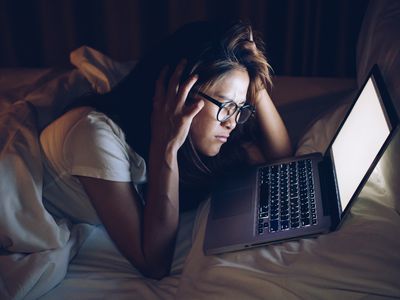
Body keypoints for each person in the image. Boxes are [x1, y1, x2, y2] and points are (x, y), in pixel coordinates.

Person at [40, 20, 292, 279]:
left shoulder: (207, 130)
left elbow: (282, 161)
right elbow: (154, 262)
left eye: (240, 108)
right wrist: (167, 145)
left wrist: (253, 75)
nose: (231, 121)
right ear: (178, 94)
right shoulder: (94, 136)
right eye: (226, 106)